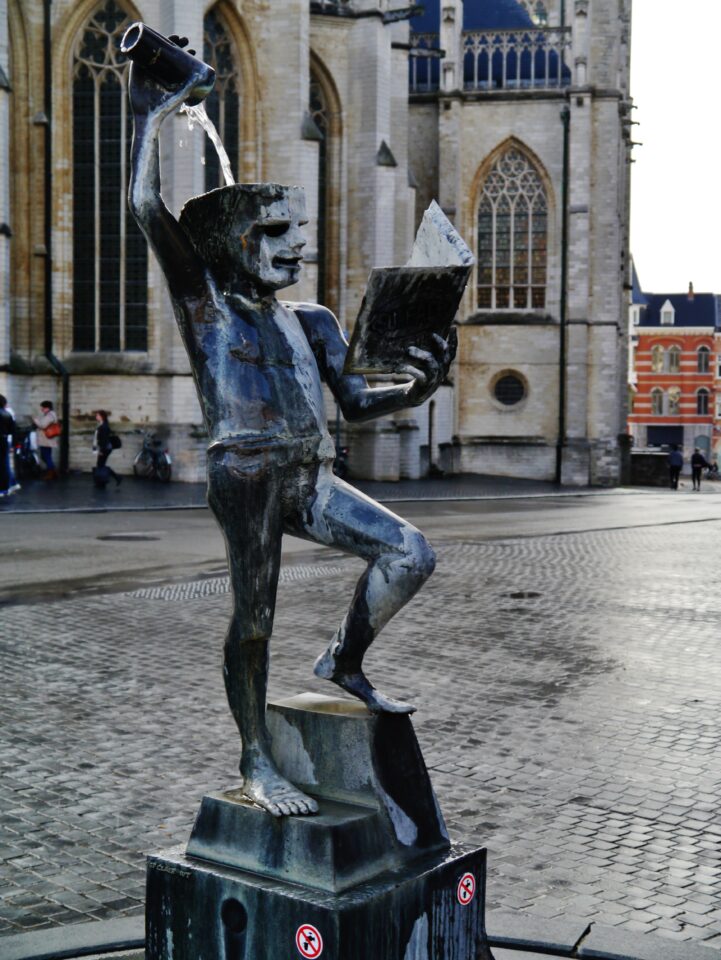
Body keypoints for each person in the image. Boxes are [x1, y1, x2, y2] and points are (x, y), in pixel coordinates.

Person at [129, 62, 455, 817]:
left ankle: (342, 659)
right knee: (254, 618)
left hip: (310, 474)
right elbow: (146, 205)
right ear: (230, 241)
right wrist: (153, 108)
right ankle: (255, 762)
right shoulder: (205, 302)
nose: (294, 247)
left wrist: (416, 386)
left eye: (299, 233)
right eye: (276, 233)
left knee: (410, 551)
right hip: (245, 473)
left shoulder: (311, 320)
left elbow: (353, 403)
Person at [93, 410, 121, 487]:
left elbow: (104, 440)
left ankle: (104, 481)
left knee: (100, 464)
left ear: (102, 416)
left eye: (97, 415)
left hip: (105, 448)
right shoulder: (102, 425)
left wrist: (101, 451)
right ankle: (104, 480)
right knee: (101, 464)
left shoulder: (104, 426)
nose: (96, 417)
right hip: (105, 448)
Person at [33, 400, 59, 481]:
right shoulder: (49, 414)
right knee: (46, 456)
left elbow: (42, 425)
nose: (41, 409)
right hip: (47, 439)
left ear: (47, 408)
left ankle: (51, 473)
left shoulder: (50, 415)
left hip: (46, 440)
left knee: (46, 456)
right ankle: (53, 471)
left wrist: (35, 420)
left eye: (43, 408)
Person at [0, 396, 15, 497]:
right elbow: (12, 430)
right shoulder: (7, 414)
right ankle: (4, 488)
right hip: (4, 440)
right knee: (4, 465)